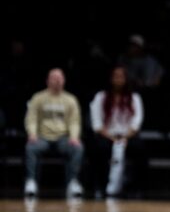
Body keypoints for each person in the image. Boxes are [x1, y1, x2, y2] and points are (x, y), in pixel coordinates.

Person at [24, 68, 84, 199]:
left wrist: (74, 137)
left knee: (77, 148)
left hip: (63, 138)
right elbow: (32, 118)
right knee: (31, 147)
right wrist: (32, 134)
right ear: (47, 81)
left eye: (59, 78)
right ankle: (31, 182)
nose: (57, 80)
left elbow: (75, 121)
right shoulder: (38, 98)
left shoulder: (71, 100)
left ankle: (73, 182)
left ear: (64, 80)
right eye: (53, 77)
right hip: (42, 137)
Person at [89, 66, 145, 197]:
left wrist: (126, 137)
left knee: (140, 149)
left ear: (126, 79)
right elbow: (97, 123)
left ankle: (135, 188)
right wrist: (111, 138)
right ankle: (100, 186)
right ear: (110, 79)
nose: (118, 79)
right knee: (98, 148)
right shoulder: (100, 97)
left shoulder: (134, 98)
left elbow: (137, 122)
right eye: (116, 76)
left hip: (128, 136)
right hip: (107, 135)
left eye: (121, 76)